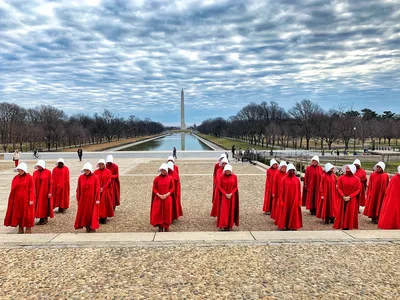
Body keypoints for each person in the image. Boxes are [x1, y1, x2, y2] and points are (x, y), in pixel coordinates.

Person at [4, 162, 35, 234]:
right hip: (17, 200)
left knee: (27, 214)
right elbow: (13, 188)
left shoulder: (29, 178)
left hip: (26, 199)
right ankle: (20, 227)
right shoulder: (16, 178)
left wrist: (31, 199)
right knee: (19, 214)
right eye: (19, 170)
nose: (20, 172)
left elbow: (32, 189)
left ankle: (28, 228)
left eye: (21, 170)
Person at [74, 163, 100, 233]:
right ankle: (87, 226)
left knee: (92, 213)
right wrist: (78, 198)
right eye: (85, 170)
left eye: (87, 170)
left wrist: (97, 198)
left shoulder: (95, 177)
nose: (86, 172)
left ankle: (93, 227)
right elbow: (78, 189)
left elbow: (97, 189)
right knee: (85, 213)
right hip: (83, 199)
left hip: (92, 199)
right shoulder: (81, 177)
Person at [333, 165, 361, 230]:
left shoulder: (357, 179)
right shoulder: (341, 178)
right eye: (346, 168)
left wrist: (350, 196)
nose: (347, 169)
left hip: (351, 199)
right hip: (343, 198)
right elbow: (338, 187)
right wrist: (343, 196)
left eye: (348, 168)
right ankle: (341, 224)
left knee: (350, 212)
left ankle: (348, 225)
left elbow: (358, 189)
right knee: (342, 211)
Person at [276, 163, 302, 230]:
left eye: (293, 170)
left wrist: (299, 200)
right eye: (290, 170)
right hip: (286, 199)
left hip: (295, 199)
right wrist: (281, 200)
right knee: (286, 212)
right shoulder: (284, 179)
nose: (292, 172)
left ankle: (294, 225)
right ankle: (286, 225)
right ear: (288, 171)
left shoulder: (297, 179)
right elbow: (281, 191)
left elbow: (299, 190)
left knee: (294, 212)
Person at [213, 164, 239, 231]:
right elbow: (219, 187)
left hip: (231, 197)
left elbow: (236, 187)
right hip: (224, 197)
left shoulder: (235, 177)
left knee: (231, 210)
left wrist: (231, 193)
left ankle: (229, 225)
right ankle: (224, 225)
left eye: (229, 171)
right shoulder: (221, 177)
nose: (227, 172)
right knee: (224, 211)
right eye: (226, 171)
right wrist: (225, 194)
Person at [150, 163, 174, 232]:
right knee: (158, 212)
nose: (163, 171)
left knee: (167, 212)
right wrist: (159, 195)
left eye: (164, 170)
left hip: (167, 198)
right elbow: (154, 188)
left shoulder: (170, 178)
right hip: (158, 198)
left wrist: (166, 194)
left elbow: (172, 188)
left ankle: (166, 226)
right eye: (162, 170)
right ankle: (160, 225)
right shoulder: (156, 178)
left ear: (166, 170)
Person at [33, 160, 53, 225]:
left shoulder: (48, 172)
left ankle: (44, 218)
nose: (38, 167)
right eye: (38, 166)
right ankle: (40, 217)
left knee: (44, 205)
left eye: (40, 166)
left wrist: (50, 192)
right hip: (37, 192)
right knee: (38, 205)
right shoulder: (35, 173)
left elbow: (50, 183)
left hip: (45, 192)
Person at [94, 159, 114, 224]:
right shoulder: (96, 172)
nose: (101, 165)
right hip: (98, 190)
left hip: (106, 190)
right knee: (98, 204)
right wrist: (98, 188)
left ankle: (104, 217)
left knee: (105, 204)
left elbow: (109, 181)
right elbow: (95, 180)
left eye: (102, 164)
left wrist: (103, 188)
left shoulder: (108, 171)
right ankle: (99, 216)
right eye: (100, 164)